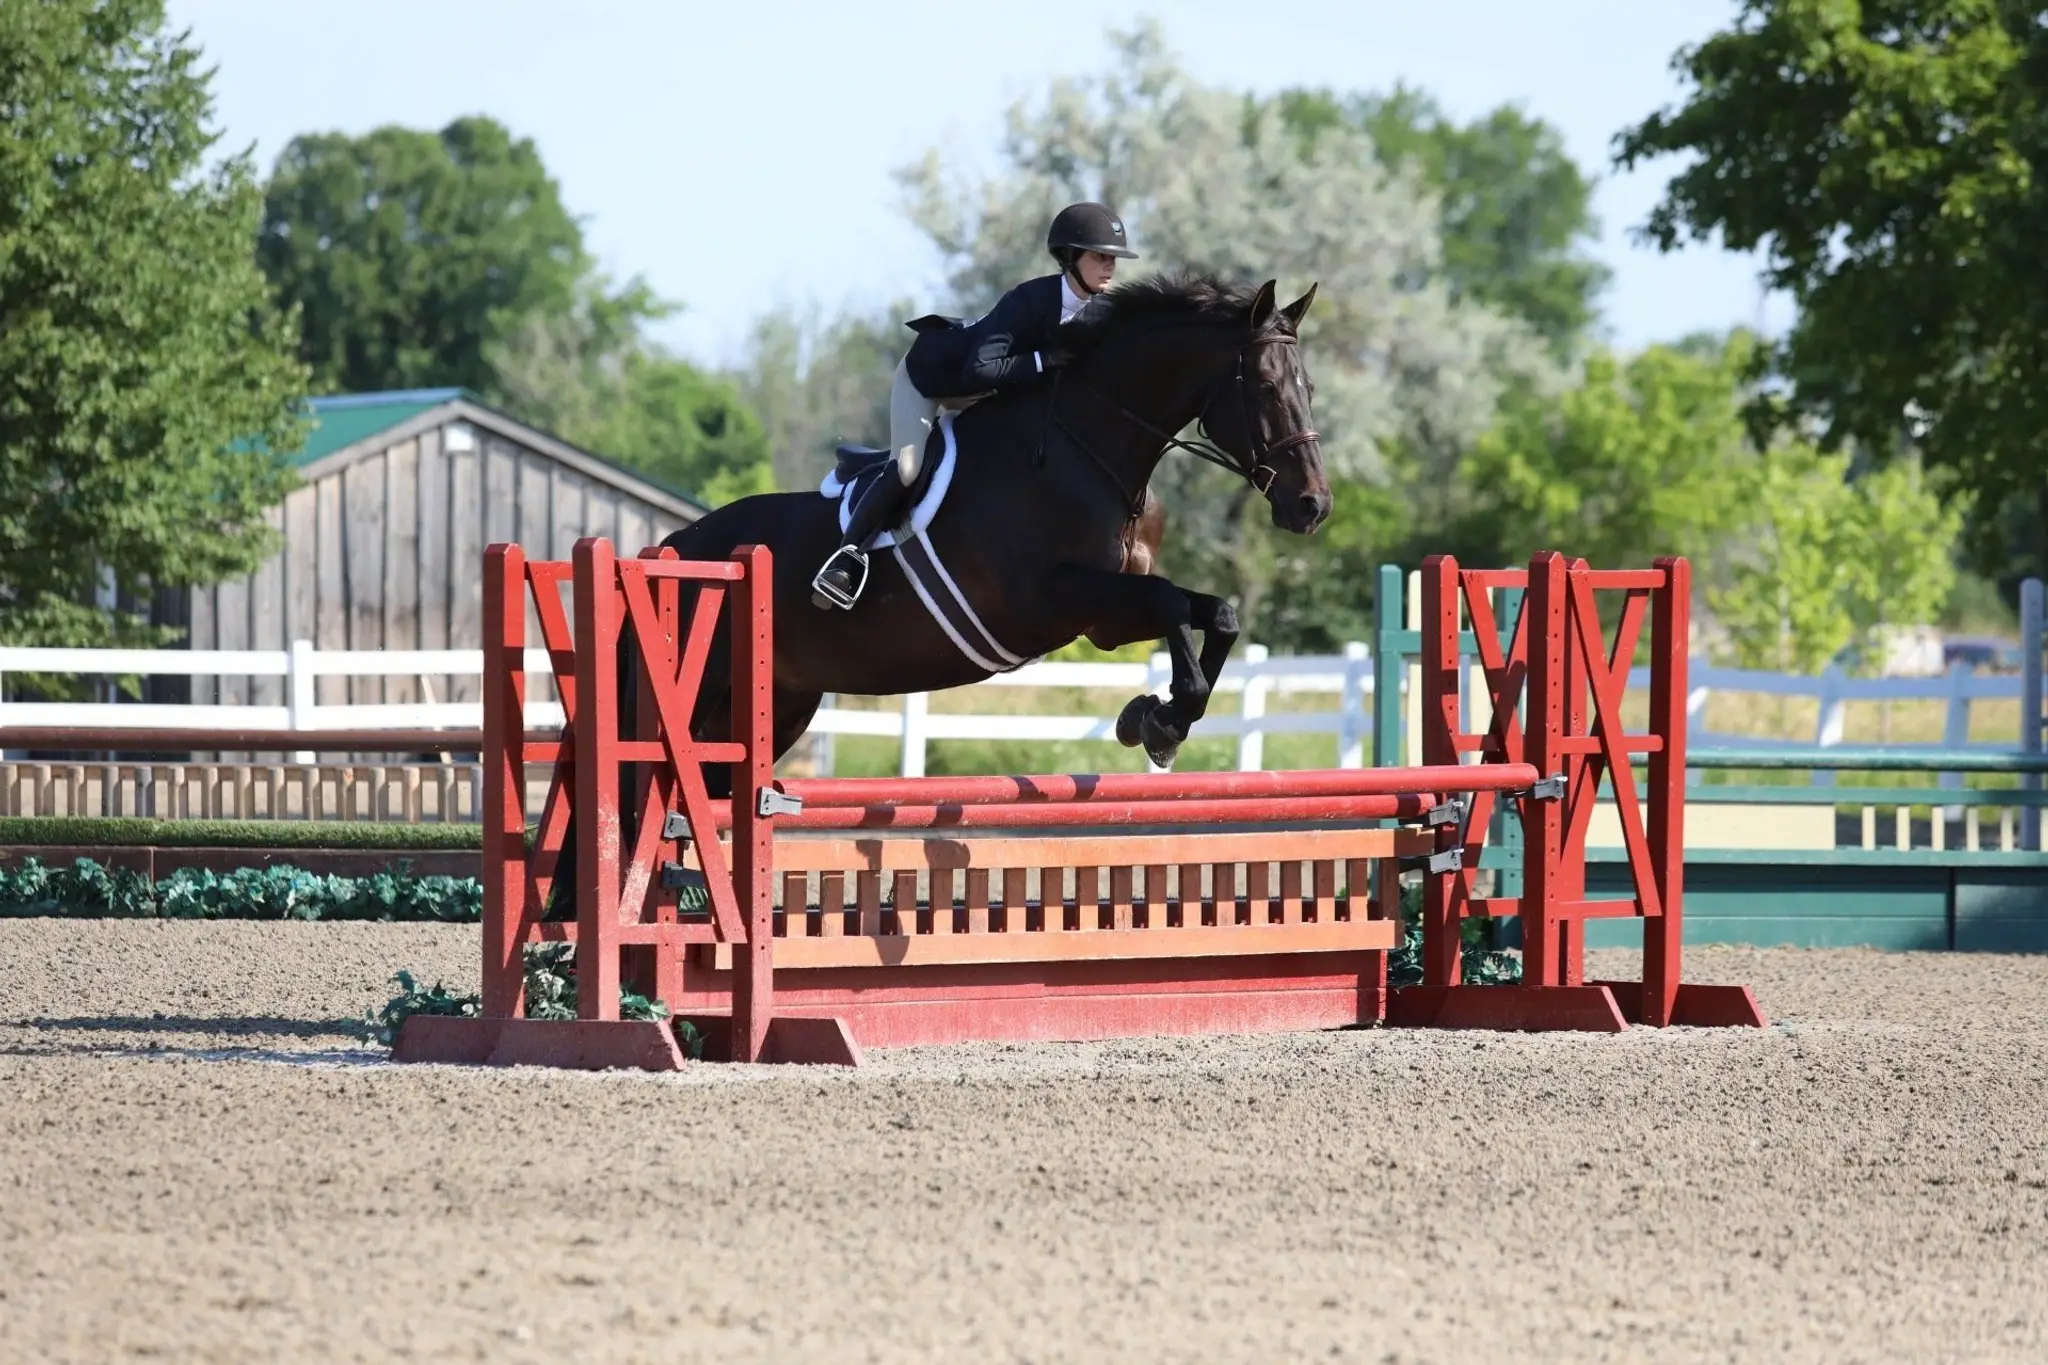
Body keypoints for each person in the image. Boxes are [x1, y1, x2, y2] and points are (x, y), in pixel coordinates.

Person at [810, 202, 1139, 609]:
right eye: (1099, 256)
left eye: (1113, 259)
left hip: (990, 394)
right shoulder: (1029, 300)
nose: (1109, 266)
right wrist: (1041, 360)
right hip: (933, 379)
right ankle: (845, 558)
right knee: (909, 468)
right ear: (1070, 258)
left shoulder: (1103, 312)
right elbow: (978, 371)